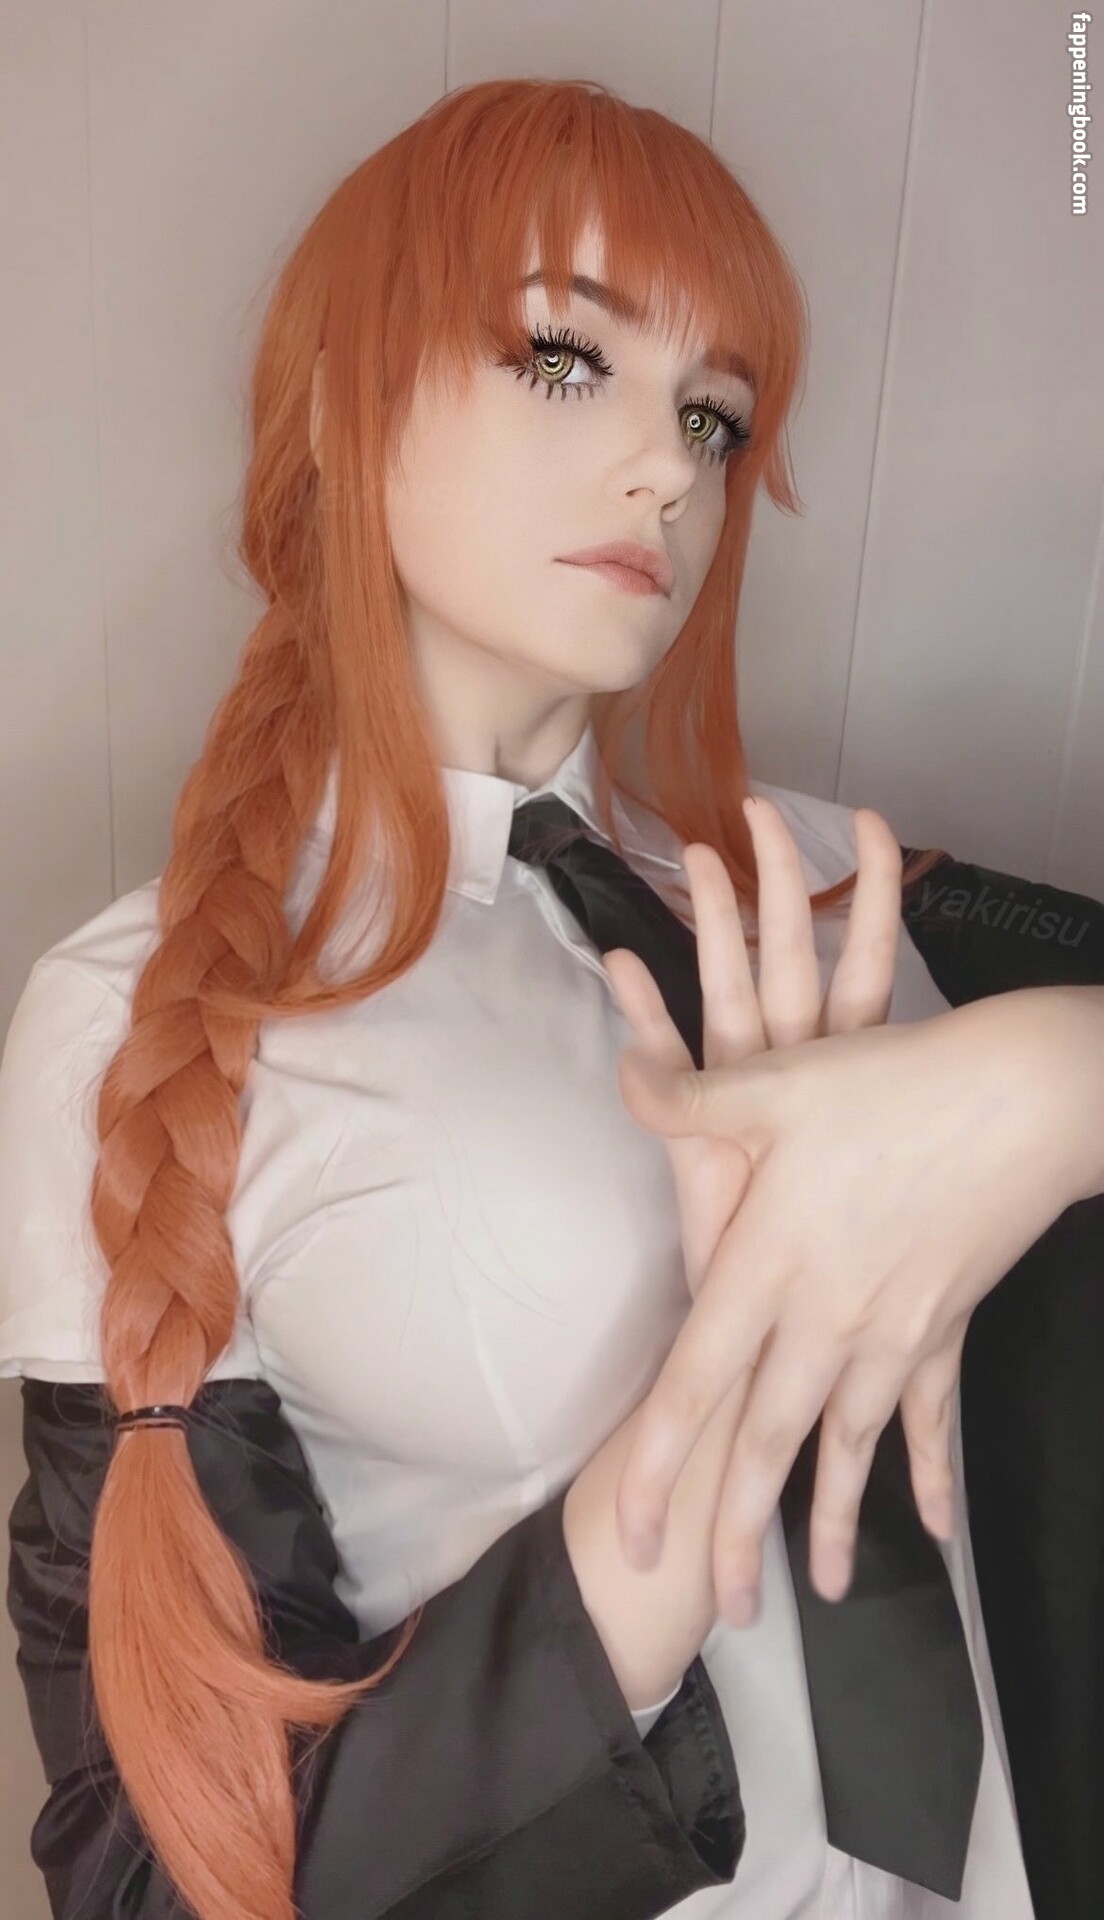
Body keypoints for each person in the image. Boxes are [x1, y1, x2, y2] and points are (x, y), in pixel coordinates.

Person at [1, 73, 1098, 1920]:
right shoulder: (135, 1017)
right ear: (343, 400)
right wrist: (684, 1458)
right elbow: (154, 1873)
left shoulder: (839, 892)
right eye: (566, 361)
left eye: (713, 413)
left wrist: (1063, 1077)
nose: (670, 467)